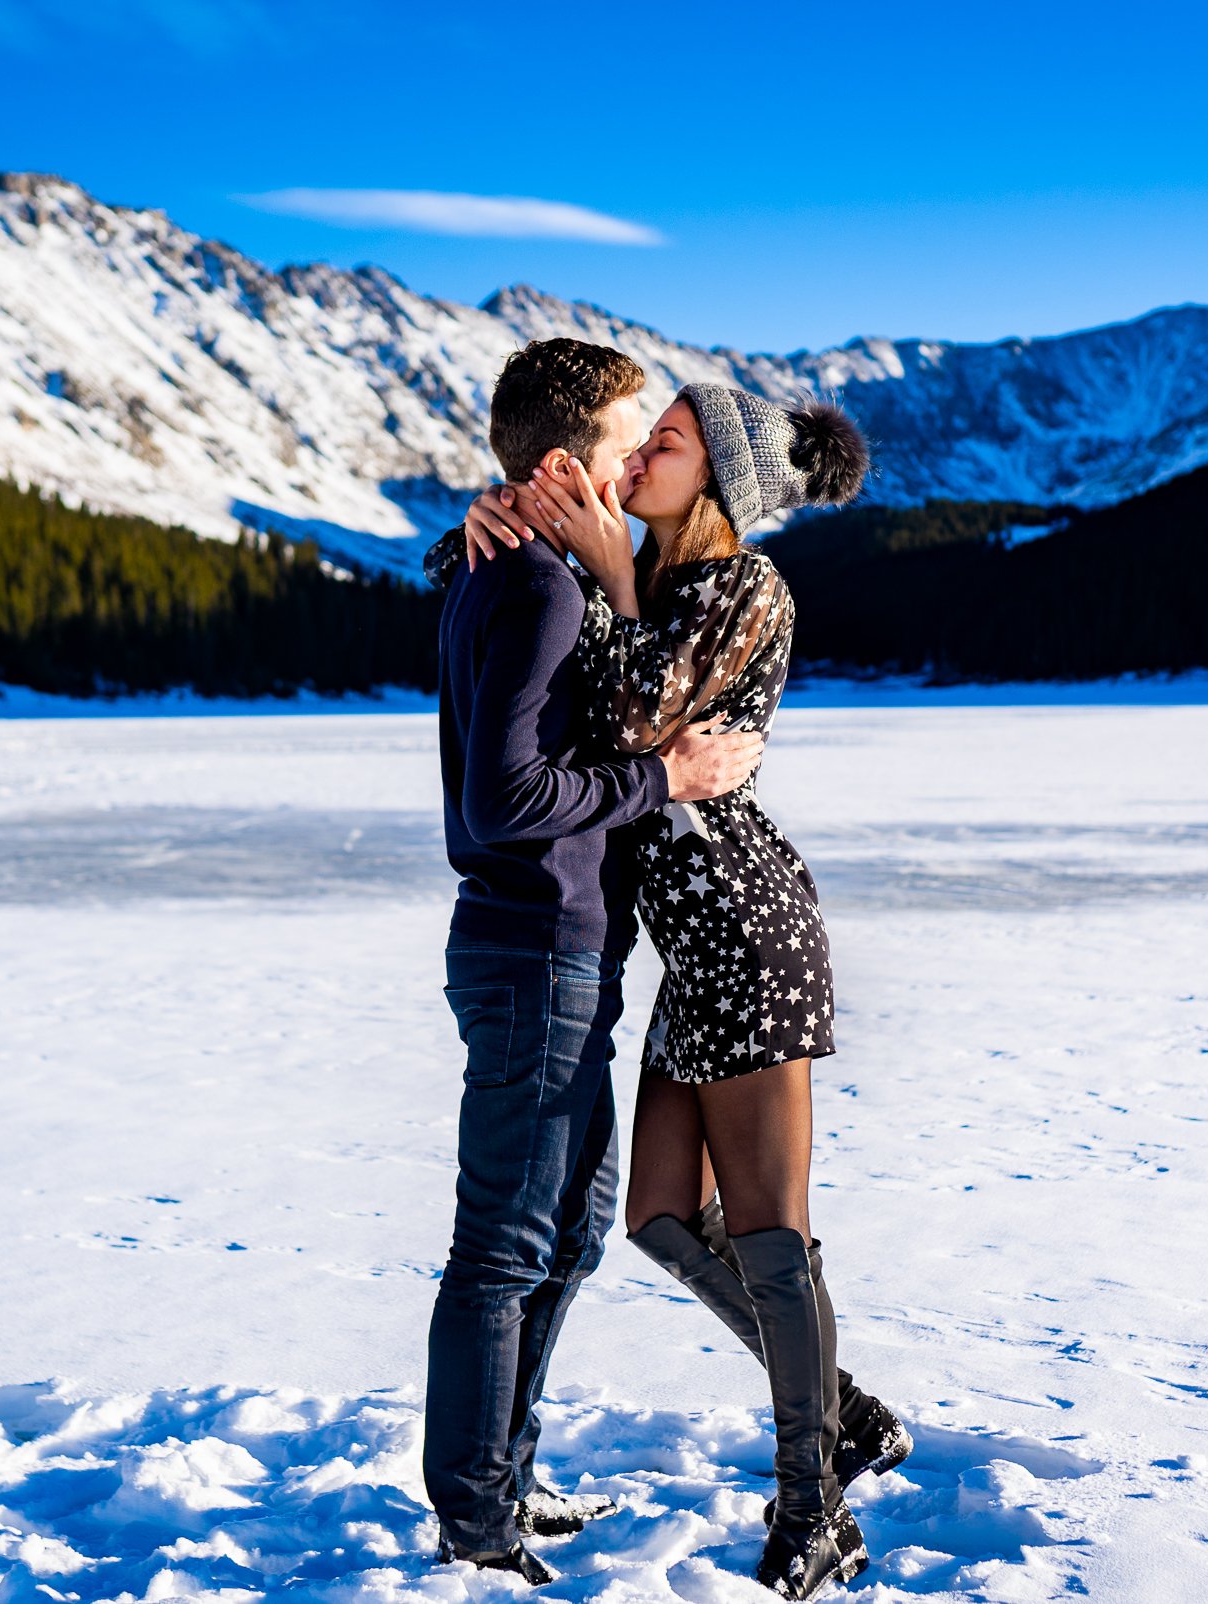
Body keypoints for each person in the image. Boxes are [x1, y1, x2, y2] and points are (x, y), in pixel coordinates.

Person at [437, 381, 913, 1599]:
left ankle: (813, 1506)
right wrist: (495, 524)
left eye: (671, 441)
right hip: (681, 950)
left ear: (717, 480)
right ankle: (844, 1407)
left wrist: (612, 569)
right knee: (654, 1216)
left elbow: (633, 715)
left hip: (748, 929)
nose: (645, 451)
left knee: (769, 1234)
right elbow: (543, 656)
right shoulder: (626, 570)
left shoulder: (747, 586)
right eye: (642, 435)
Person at [424, 339, 765, 1585]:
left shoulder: (519, 566)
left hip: (557, 950)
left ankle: (501, 1479)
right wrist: (663, 776)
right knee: (508, 1246)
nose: (640, 463)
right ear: (568, 458)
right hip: (533, 954)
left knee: (562, 1236)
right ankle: (474, 1518)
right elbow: (501, 798)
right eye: (631, 439)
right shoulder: (535, 587)